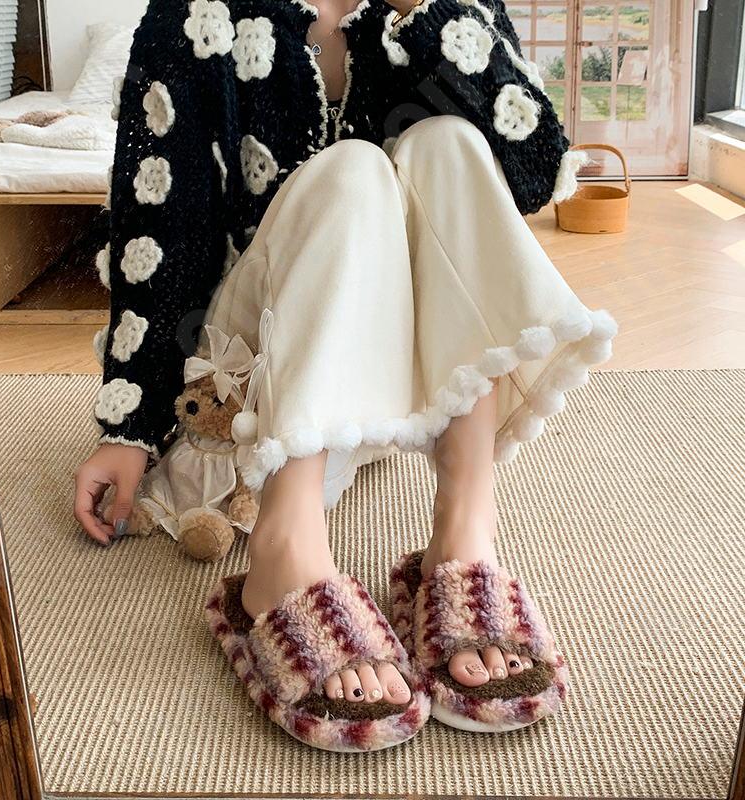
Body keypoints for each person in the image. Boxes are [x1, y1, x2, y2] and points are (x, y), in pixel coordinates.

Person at [74, 0, 615, 751]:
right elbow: (159, 224)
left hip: (379, 402)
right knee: (354, 167)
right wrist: (128, 428)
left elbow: (532, 171)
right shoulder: (195, 13)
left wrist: (428, 12)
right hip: (252, 395)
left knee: (453, 143)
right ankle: (285, 544)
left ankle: (465, 531)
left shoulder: (444, 10)